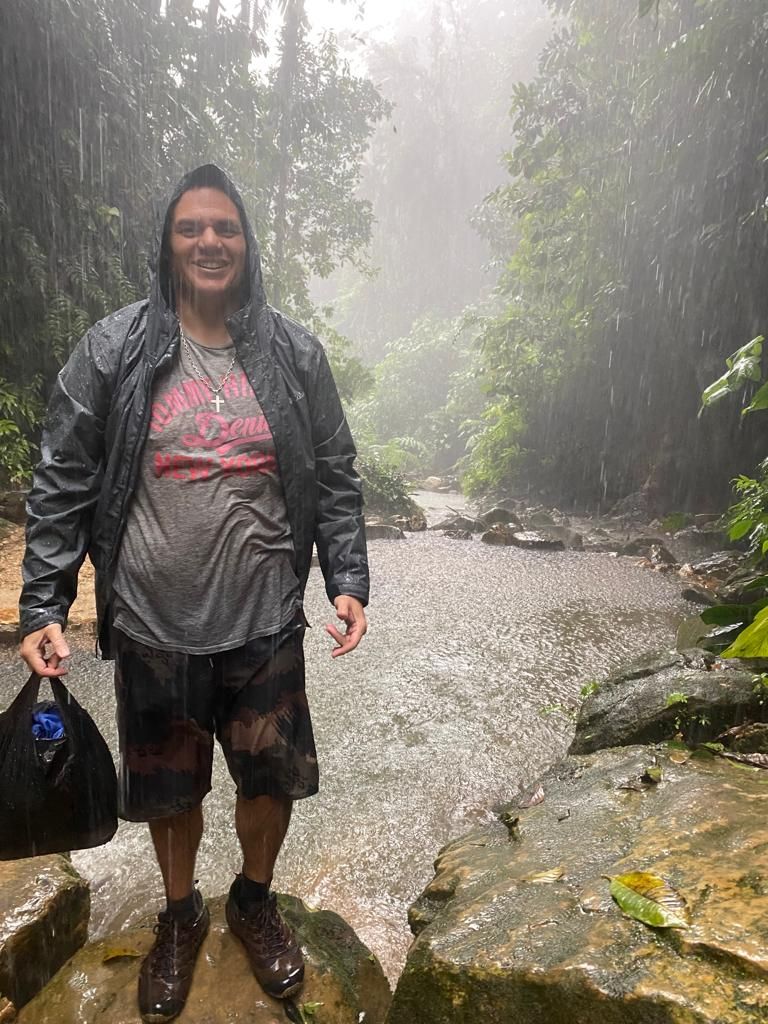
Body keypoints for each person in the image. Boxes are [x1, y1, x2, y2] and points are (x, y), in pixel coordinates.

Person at [18, 164, 369, 1023]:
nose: (209, 241)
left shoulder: (294, 354)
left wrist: (347, 578)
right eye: (191, 228)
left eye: (225, 228)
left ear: (247, 243)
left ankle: (252, 899)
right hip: (151, 620)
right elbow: (63, 476)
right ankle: (180, 917)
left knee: (270, 778)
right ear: (169, 245)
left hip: (265, 618)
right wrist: (44, 603)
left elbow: (334, 470)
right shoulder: (114, 348)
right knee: (167, 789)